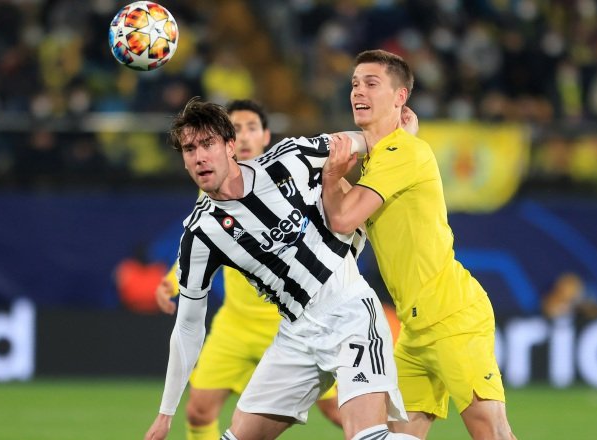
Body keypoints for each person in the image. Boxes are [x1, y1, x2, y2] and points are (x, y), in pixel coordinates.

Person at [145, 97, 418, 440]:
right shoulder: (200, 234)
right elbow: (187, 328)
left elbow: (358, 142)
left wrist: (402, 135)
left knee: (366, 437)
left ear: (230, 146)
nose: (199, 156)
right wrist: (165, 414)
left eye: (208, 144)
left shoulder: (287, 159)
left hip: (349, 312)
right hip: (295, 334)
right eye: (189, 149)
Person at [321, 49, 516, 440]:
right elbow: (344, 221)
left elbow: (341, 218)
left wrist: (330, 175)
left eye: (372, 83)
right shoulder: (386, 158)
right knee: (398, 435)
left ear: (400, 97)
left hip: (451, 317)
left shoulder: (404, 153)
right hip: (415, 329)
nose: (358, 90)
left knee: (491, 433)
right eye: (355, 83)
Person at [153, 99, 342, 440]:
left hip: (291, 320)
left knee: (343, 412)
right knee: (198, 411)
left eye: (250, 128)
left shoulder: (285, 173)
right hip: (236, 325)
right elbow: (200, 247)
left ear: (265, 135)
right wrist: (171, 280)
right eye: (235, 128)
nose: (242, 136)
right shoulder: (212, 185)